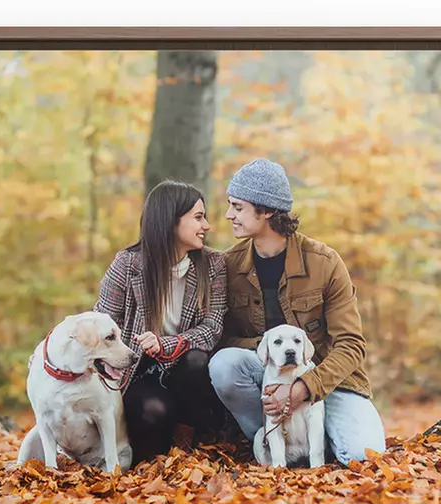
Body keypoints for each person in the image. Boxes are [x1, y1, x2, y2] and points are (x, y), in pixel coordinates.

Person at [208, 158, 386, 466]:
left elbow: (351, 346)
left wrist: (305, 387)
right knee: (224, 365)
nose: (228, 215)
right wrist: (266, 352)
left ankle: (321, 441)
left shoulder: (325, 262)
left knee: (362, 455)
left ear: (265, 211)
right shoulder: (229, 266)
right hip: (267, 377)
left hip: (331, 383)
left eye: (237, 207)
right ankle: (269, 442)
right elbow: (220, 338)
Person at [94, 180, 228, 464]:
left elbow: (213, 327)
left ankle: (186, 447)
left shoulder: (213, 266)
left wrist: (166, 344)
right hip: (140, 370)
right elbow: (101, 326)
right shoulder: (127, 264)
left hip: (188, 373)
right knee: (153, 410)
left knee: (196, 361)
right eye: (198, 217)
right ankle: (148, 459)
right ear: (170, 220)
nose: (206, 226)